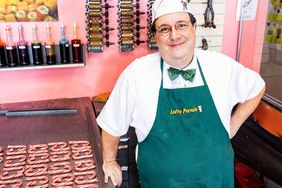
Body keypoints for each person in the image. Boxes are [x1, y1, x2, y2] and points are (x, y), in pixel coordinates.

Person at [97, 0, 266, 187]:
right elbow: (111, 124)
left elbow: (257, 87)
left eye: (182, 25)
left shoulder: (221, 66)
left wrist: (232, 125)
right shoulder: (136, 74)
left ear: (194, 28)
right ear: (155, 36)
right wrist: (110, 162)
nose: (174, 35)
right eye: (164, 29)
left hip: (217, 181)